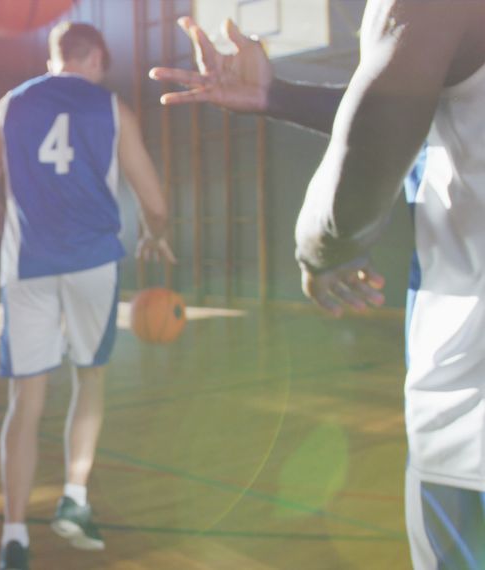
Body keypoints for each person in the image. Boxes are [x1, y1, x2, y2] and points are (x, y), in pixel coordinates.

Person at [151, 3, 485, 566]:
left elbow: (357, 178)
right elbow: (414, 107)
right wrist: (275, 95)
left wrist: (319, 251)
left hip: (470, 414)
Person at [0, 21, 175, 570]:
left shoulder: (11, 104)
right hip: (92, 265)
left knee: (25, 402)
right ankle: (74, 501)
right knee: (90, 378)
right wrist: (154, 232)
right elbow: (154, 198)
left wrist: (11, 229)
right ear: (97, 58)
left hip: (28, 265)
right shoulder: (111, 109)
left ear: (53, 59)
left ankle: (14, 537)